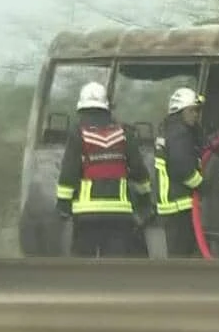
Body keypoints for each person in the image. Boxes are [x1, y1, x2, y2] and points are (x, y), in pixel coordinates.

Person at [55, 81, 153, 258]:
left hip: (86, 214)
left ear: (81, 109)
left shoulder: (78, 133)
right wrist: (145, 201)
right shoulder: (124, 133)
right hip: (119, 213)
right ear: (106, 108)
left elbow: (69, 172)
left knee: (82, 269)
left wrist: (63, 205)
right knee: (114, 269)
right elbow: (138, 171)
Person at [155, 87, 206, 258]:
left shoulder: (172, 130)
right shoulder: (179, 133)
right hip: (179, 204)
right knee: (180, 259)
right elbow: (182, 168)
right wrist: (202, 185)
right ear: (180, 111)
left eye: (197, 111)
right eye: (192, 111)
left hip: (174, 204)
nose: (195, 115)